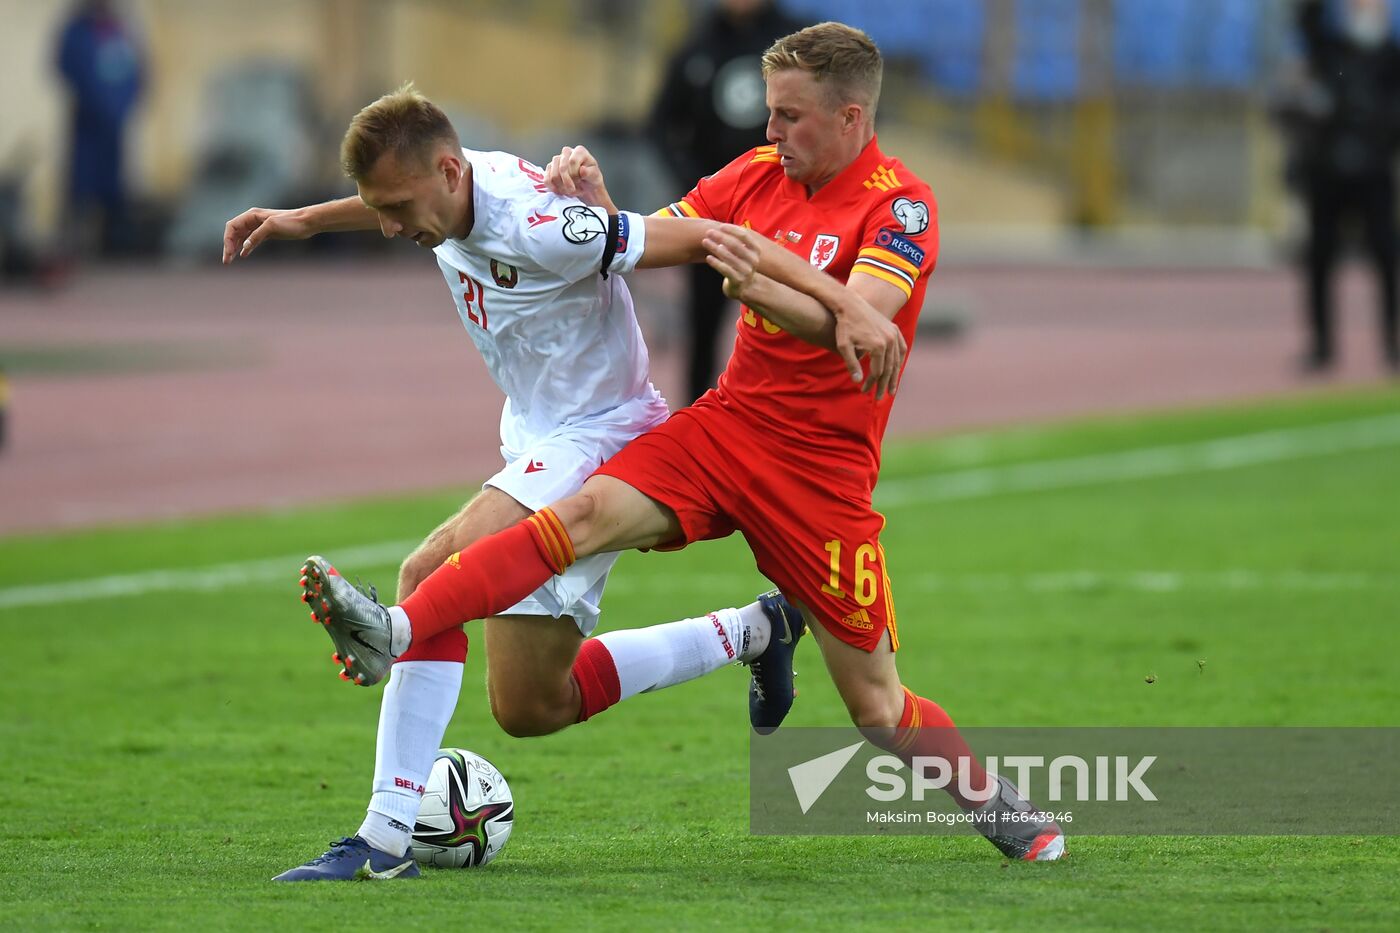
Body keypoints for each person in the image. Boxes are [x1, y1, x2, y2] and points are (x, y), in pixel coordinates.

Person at [311, 24, 1065, 862]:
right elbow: (647, 241)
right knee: (588, 511)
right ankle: (403, 626)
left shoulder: (901, 204)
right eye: (770, 114)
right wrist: (597, 210)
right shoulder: (754, 175)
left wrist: (767, 283)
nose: (769, 132)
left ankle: (1005, 811)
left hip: (820, 478)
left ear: (852, 117)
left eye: (788, 116)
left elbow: (855, 327)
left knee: (878, 710)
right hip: (727, 427)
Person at [221, 84, 860, 881]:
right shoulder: (446, 186)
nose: (389, 225)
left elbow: (706, 238)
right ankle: (753, 630)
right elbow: (389, 198)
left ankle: (381, 837)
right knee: (530, 705)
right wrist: (303, 220)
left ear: (450, 171)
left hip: (603, 430)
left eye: (396, 207)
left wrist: (842, 304)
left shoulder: (545, 224)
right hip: (535, 430)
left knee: (430, 575)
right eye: (376, 207)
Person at [648, 0, 807, 402]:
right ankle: (695, 417)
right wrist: (693, 180)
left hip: (788, 210)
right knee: (701, 324)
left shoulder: (798, 42)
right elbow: (660, 124)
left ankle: (787, 414)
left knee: (788, 323)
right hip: (714, 214)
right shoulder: (696, 45)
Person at [1283, 0, 1400, 372]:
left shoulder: (1391, 58)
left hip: (1373, 171)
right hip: (1328, 171)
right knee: (1320, 259)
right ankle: (1322, 346)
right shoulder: (1331, 49)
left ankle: (1391, 343)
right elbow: (1305, 18)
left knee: (1385, 256)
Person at [55, 0, 144, 257]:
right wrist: (93, 101)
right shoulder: (77, 30)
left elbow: (137, 71)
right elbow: (66, 66)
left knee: (113, 185)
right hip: (88, 120)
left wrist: (123, 105)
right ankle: (77, 246)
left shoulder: (121, 29)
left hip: (115, 122)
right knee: (83, 183)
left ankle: (113, 245)